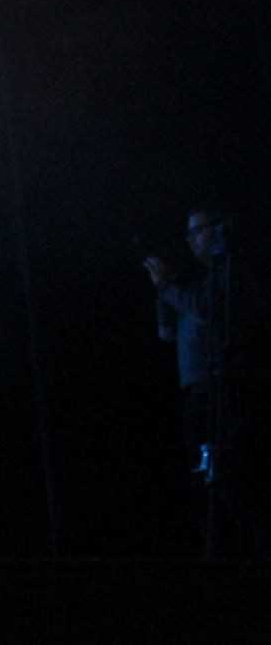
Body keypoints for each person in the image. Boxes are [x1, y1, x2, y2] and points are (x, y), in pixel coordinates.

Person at [145, 206, 270, 557]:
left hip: (223, 391)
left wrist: (167, 286)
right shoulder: (198, 283)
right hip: (198, 394)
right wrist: (161, 291)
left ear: (218, 228)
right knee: (204, 479)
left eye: (198, 230)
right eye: (189, 233)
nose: (191, 240)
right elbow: (166, 333)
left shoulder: (229, 274)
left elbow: (207, 310)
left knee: (230, 476)